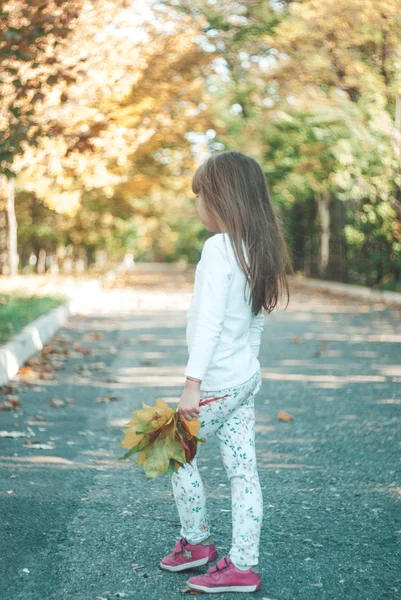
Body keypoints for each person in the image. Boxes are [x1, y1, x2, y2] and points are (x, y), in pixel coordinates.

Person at [159, 151, 291, 594]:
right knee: (243, 470)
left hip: (215, 382)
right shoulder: (260, 248)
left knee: (172, 448)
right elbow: (256, 318)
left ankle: (196, 543)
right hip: (244, 378)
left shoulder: (219, 248)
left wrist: (191, 384)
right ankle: (244, 565)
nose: (198, 206)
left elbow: (211, 322)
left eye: (201, 197)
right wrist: (251, 368)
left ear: (222, 199)